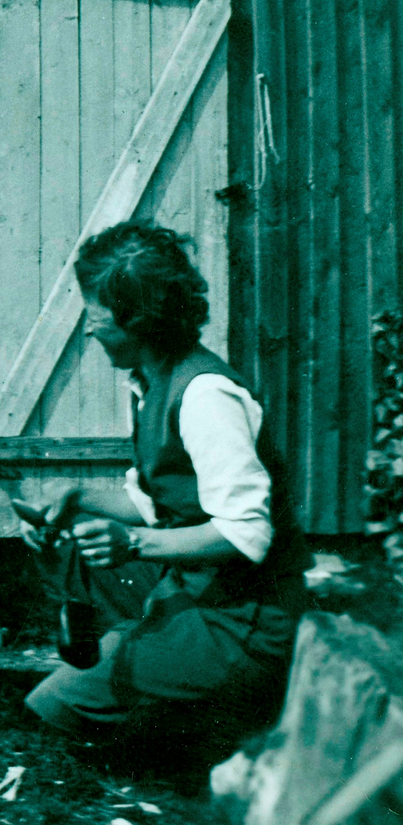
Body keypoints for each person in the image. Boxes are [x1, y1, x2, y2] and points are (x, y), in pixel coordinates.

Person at [19, 222, 312, 759]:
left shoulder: (204, 395)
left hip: (247, 619)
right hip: (205, 589)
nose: (89, 330)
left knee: (54, 705)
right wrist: (76, 498)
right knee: (77, 551)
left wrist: (133, 545)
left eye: (96, 316)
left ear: (137, 320)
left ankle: (225, 693)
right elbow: (160, 503)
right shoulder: (155, 382)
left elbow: (247, 535)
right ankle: (151, 650)